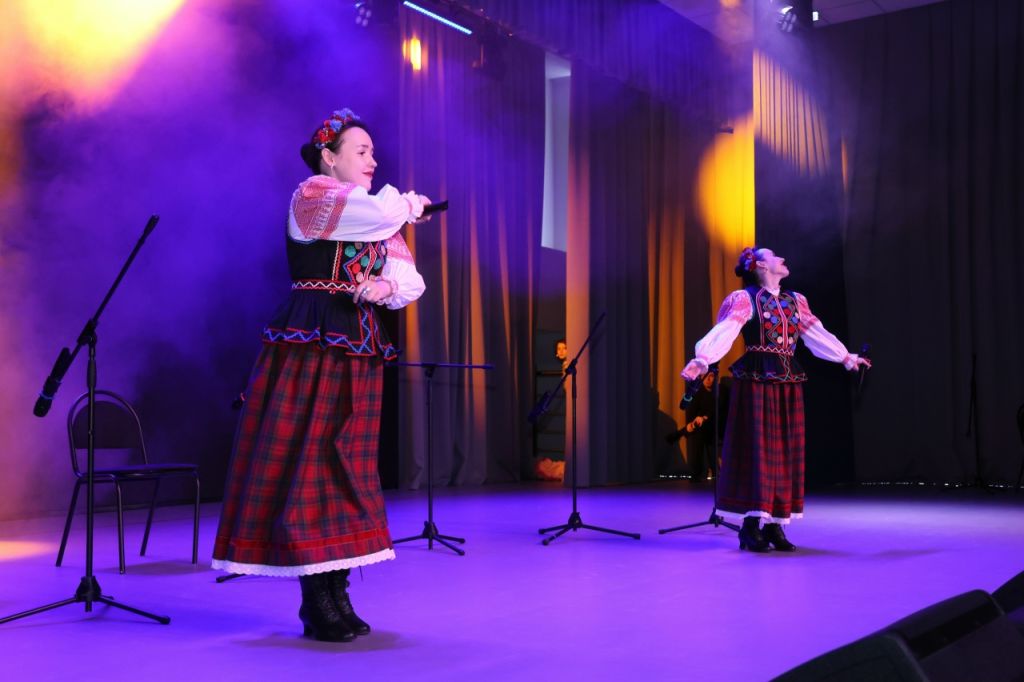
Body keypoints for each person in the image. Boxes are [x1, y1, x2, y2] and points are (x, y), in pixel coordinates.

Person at [212, 108, 430, 642]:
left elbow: (408, 277)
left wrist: (383, 287)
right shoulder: (314, 195)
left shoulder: (372, 215)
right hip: (312, 337)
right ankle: (315, 600)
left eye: (374, 152)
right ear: (329, 158)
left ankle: (337, 591)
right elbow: (380, 214)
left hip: (357, 341)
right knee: (309, 460)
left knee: (346, 466)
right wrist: (408, 204)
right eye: (362, 151)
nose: (373, 160)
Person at [680, 247, 870, 553]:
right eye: (774, 256)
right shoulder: (746, 299)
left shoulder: (796, 301)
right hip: (756, 377)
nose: (782, 258)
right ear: (761, 266)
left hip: (787, 378)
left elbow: (816, 334)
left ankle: (775, 524)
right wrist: (702, 359)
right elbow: (726, 329)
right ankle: (751, 525)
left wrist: (847, 358)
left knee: (784, 449)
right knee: (758, 448)